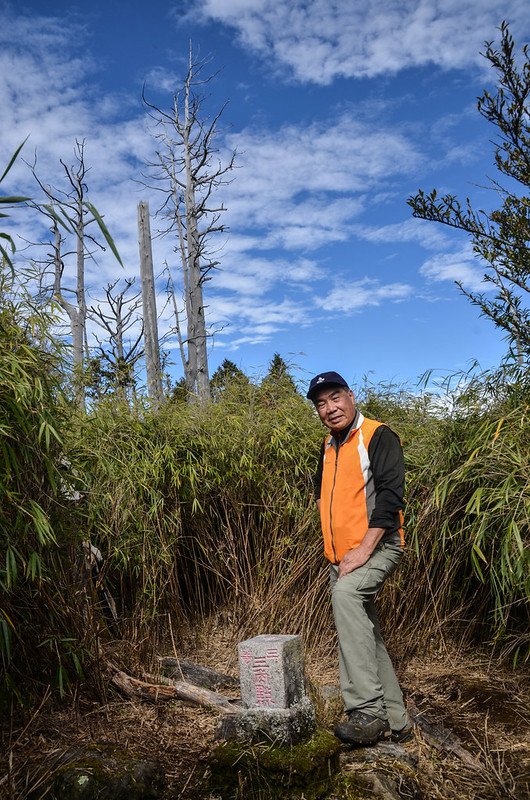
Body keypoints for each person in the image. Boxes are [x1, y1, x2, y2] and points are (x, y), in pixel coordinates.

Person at [307, 370, 412, 746]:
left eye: (335, 397)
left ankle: (368, 711)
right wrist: (335, 549)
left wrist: (363, 549)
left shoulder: (378, 435)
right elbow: (322, 497)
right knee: (366, 632)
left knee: (347, 597)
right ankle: (398, 721)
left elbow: (390, 497)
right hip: (341, 558)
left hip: (379, 548)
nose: (329, 408)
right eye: (321, 403)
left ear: (351, 396)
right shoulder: (327, 446)